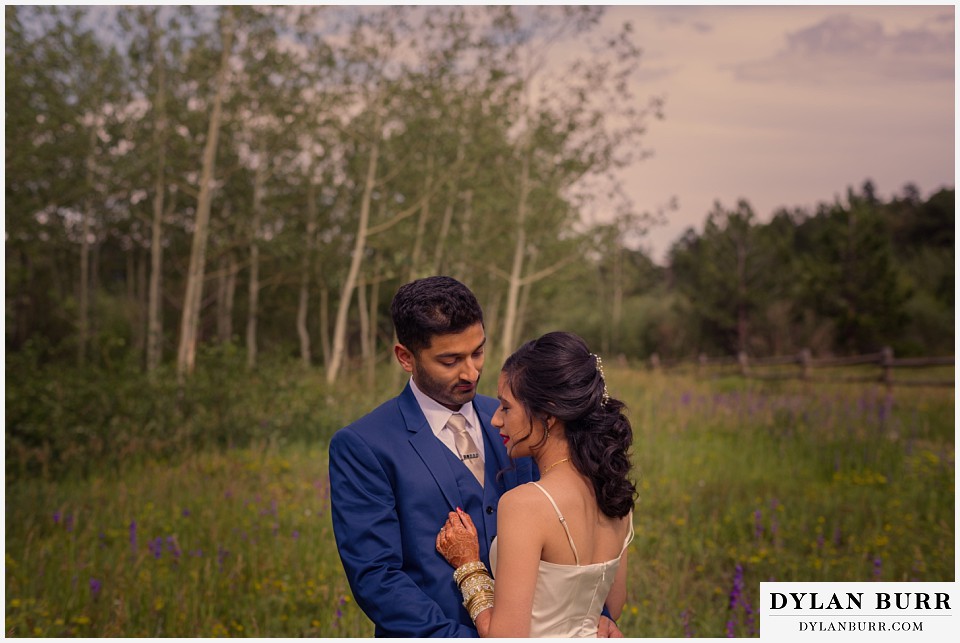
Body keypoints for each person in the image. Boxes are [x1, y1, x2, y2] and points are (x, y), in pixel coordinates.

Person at [330, 277, 624, 638]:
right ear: (406, 357)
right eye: (450, 360)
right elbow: (377, 577)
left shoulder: (524, 424)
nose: (471, 372)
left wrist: (594, 612)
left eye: (478, 352)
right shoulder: (363, 445)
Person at [436, 331, 636, 637]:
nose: (495, 420)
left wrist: (469, 568)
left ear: (548, 414)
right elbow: (614, 605)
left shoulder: (526, 504)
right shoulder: (614, 492)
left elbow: (506, 636)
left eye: (506, 407)